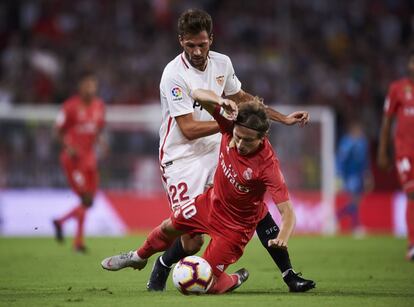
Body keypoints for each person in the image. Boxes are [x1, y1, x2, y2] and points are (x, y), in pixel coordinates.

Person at [150, 8, 314, 292]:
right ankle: (163, 264)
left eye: (202, 44)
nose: (198, 51)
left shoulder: (222, 64)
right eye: (191, 45)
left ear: (211, 39)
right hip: (182, 157)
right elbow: (188, 129)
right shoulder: (173, 75)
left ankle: (289, 275)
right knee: (192, 241)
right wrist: (231, 125)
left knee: (254, 206)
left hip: (219, 146)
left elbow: (244, 100)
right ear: (181, 41)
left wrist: (282, 117)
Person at [102, 89, 300, 294]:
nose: (240, 144)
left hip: (235, 228)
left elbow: (288, 213)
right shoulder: (228, 125)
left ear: (262, 137)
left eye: (248, 140)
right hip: (210, 204)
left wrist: (282, 237)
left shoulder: (268, 167)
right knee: (169, 226)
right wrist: (222, 102)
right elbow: (196, 94)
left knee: (204, 283)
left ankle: (233, 279)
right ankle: (138, 257)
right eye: (238, 137)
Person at [52, 71, 105, 252]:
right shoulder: (70, 107)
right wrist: (68, 147)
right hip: (73, 160)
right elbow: (57, 131)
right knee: (86, 199)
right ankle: (78, 242)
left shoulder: (99, 106)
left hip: (90, 159)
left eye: (93, 85)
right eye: (87, 85)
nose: (91, 89)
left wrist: (101, 143)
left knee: (89, 201)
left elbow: (97, 129)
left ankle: (61, 223)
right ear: (80, 87)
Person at [378, 49, 414, 260]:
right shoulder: (397, 89)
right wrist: (383, 151)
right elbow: (387, 121)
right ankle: (412, 244)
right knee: (411, 193)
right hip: (405, 153)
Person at [336, 120, 369, 235]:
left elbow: (365, 161)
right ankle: (355, 225)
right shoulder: (347, 142)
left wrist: (367, 175)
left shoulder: (362, 142)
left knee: (356, 201)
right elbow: (341, 160)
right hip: (349, 176)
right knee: (354, 200)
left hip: (359, 175)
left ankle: (337, 217)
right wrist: (339, 175)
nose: (359, 132)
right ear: (352, 131)